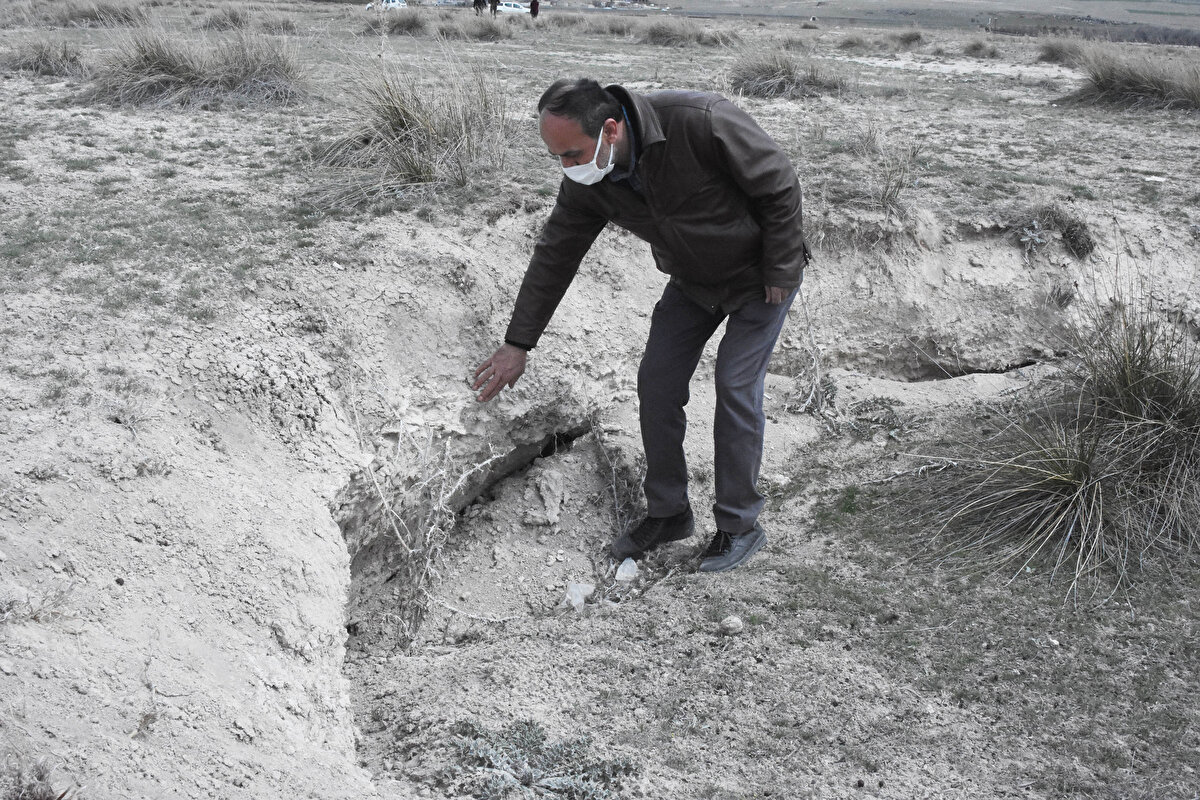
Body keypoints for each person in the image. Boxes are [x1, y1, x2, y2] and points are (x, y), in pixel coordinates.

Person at [472, 79, 810, 573]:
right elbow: (555, 256)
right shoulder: (591, 179)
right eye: (558, 158)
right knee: (656, 382)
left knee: (735, 384)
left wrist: (780, 268)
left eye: (573, 153)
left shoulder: (700, 120)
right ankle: (669, 513)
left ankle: (740, 525)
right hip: (692, 282)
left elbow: (779, 183)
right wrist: (517, 343)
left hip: (761, 278)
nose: (568, 168)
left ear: (610, 129)